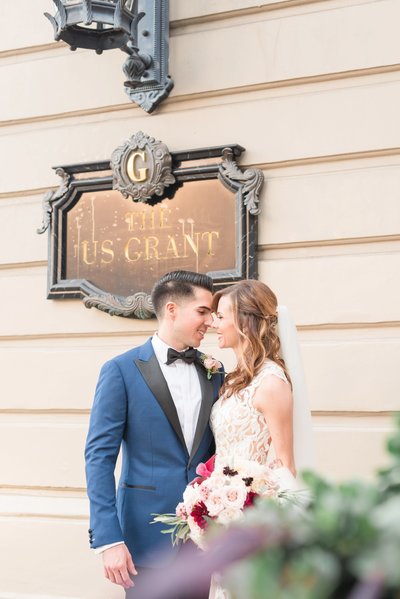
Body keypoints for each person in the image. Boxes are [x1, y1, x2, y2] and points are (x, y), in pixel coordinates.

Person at [85, 270, 224, 597]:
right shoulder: (120, 370)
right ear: (172, 309)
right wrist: (108, 539)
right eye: (203, 312)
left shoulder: (215, 373)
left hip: (203, 540)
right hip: (144, 539)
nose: (212, 322)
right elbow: (99, 459)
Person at [209, 279, 314, 599]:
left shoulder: (271, 383)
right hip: (226, 519)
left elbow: (286, 467)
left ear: (244, 322)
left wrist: (253, 522)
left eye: (221, 315)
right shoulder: (235, 380)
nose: (214, 323)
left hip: (255, 525)